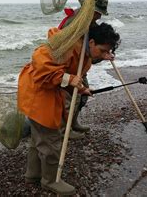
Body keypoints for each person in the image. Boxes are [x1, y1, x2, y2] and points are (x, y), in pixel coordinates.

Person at [17, 23, 120, 195]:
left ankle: (33, 175)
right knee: (51, 140)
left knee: (38, 138)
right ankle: (49, 180)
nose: (103, 55)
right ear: (92, 42)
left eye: (107, 52)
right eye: (102, 51)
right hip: (39, 93)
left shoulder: (85, 54)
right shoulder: (67, 44)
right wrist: (68, 78)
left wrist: (80, 88)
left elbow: (70, 76)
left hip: (38, 92)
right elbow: (41, 63)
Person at [58, 0, 114, 136]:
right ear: (90, 9)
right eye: (98, 13)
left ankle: (73, 122)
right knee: (70, 97)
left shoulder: (91, 23)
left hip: (81, 65)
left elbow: (92, 52)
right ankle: (65, 130)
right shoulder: (74, 22)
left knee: (84, 93)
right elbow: (66, 49)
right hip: (67, 66)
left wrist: (103, 54)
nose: (100, 16)